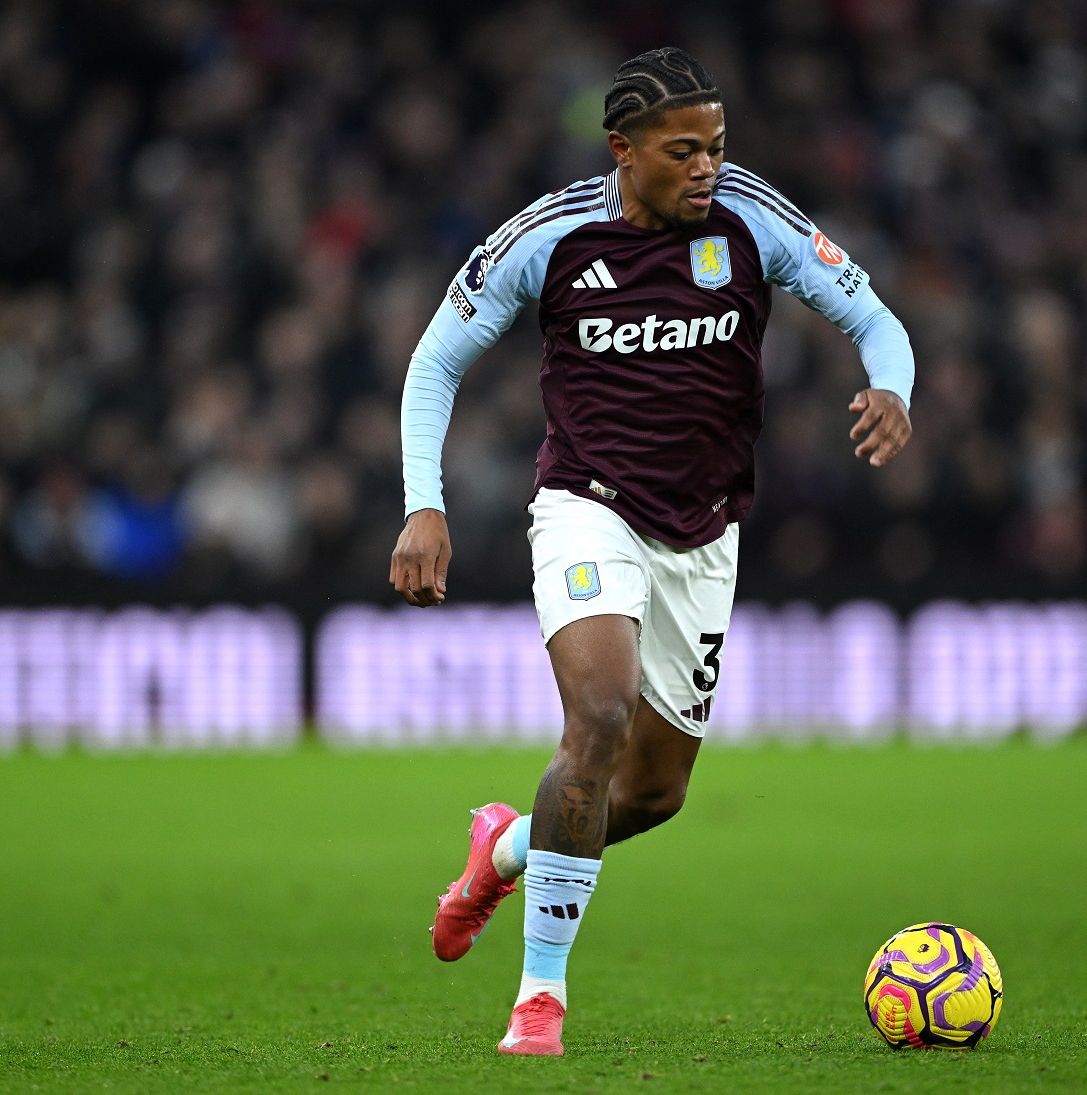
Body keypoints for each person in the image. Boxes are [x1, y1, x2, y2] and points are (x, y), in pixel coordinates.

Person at [390, 47, 915, 1057]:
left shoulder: (753, 220)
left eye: (717, 146)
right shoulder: (549, 237)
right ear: (622, 150)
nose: (708, 165)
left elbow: (873, 317)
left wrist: (892, 389)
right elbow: (434, 363)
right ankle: (540, 1000)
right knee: (596, 716)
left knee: (652, 793)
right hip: (586, 506)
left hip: (705, 531)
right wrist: (426, 506)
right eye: (684, 150)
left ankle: (497, 853)